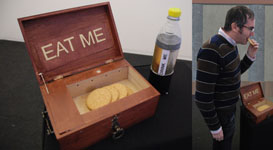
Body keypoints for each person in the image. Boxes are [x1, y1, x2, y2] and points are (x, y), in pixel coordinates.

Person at [194, 6, 259, 150]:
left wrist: (250, 56)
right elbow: (202, 97)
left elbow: (232, 75)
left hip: (230, 109)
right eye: (250, 28)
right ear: (236, 26)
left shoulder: (230, 44)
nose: (252, 34)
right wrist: (215, 127)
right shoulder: (211, 50)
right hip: (220, 115)